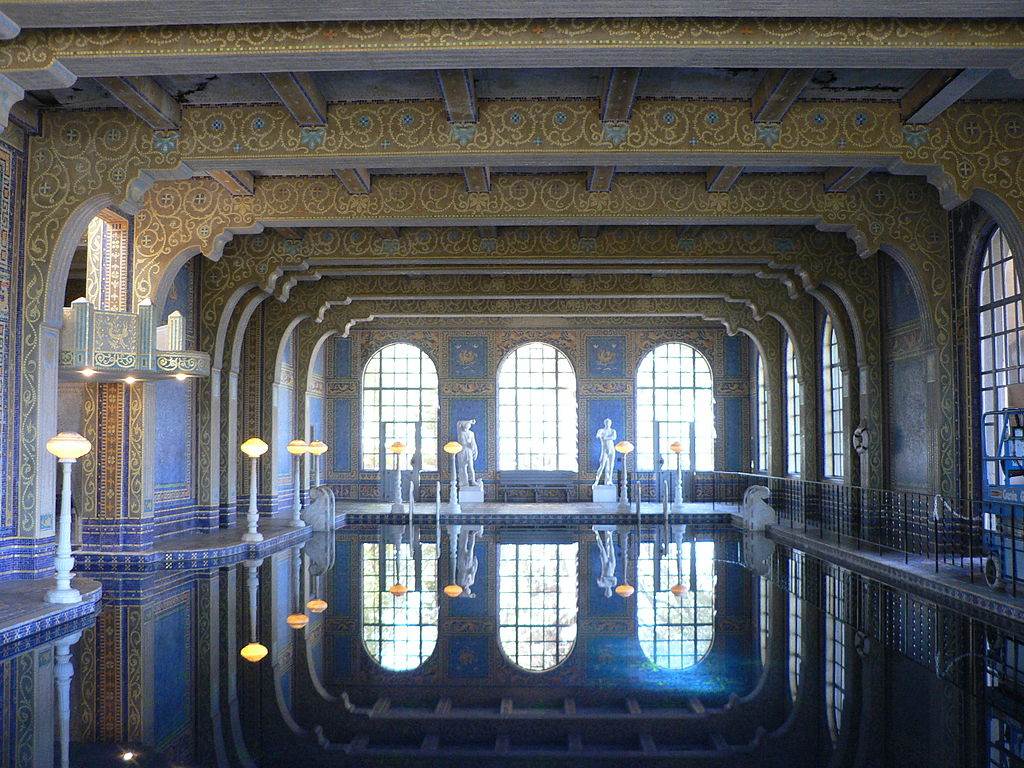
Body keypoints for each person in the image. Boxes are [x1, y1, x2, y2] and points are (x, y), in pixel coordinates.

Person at [593, 418, 617, 486]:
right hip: (605, 450)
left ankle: (609, 480)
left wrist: (605, 437)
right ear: (605, 423)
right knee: (602, 466)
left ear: (611, 423)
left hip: (612, 450)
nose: (608, 424)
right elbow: (598, 435)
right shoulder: (601, 430)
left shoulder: (613, 431)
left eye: (609, 422)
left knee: (611, 466)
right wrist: (602, 436)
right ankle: (596, 481)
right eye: (607, 422)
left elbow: (614, 437)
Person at [455, 419, 479, 487]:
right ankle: (465, 482)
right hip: (462, 451)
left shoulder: (471, 433)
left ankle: (473, 481)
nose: (466, 427)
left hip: (469, 451)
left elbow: (474, 443)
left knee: (471, 467)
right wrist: (470, 421)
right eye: (465, 426)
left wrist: (475, 451)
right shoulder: (460, 432)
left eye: (468, 426)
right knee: (463, 468)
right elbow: (458, 422)